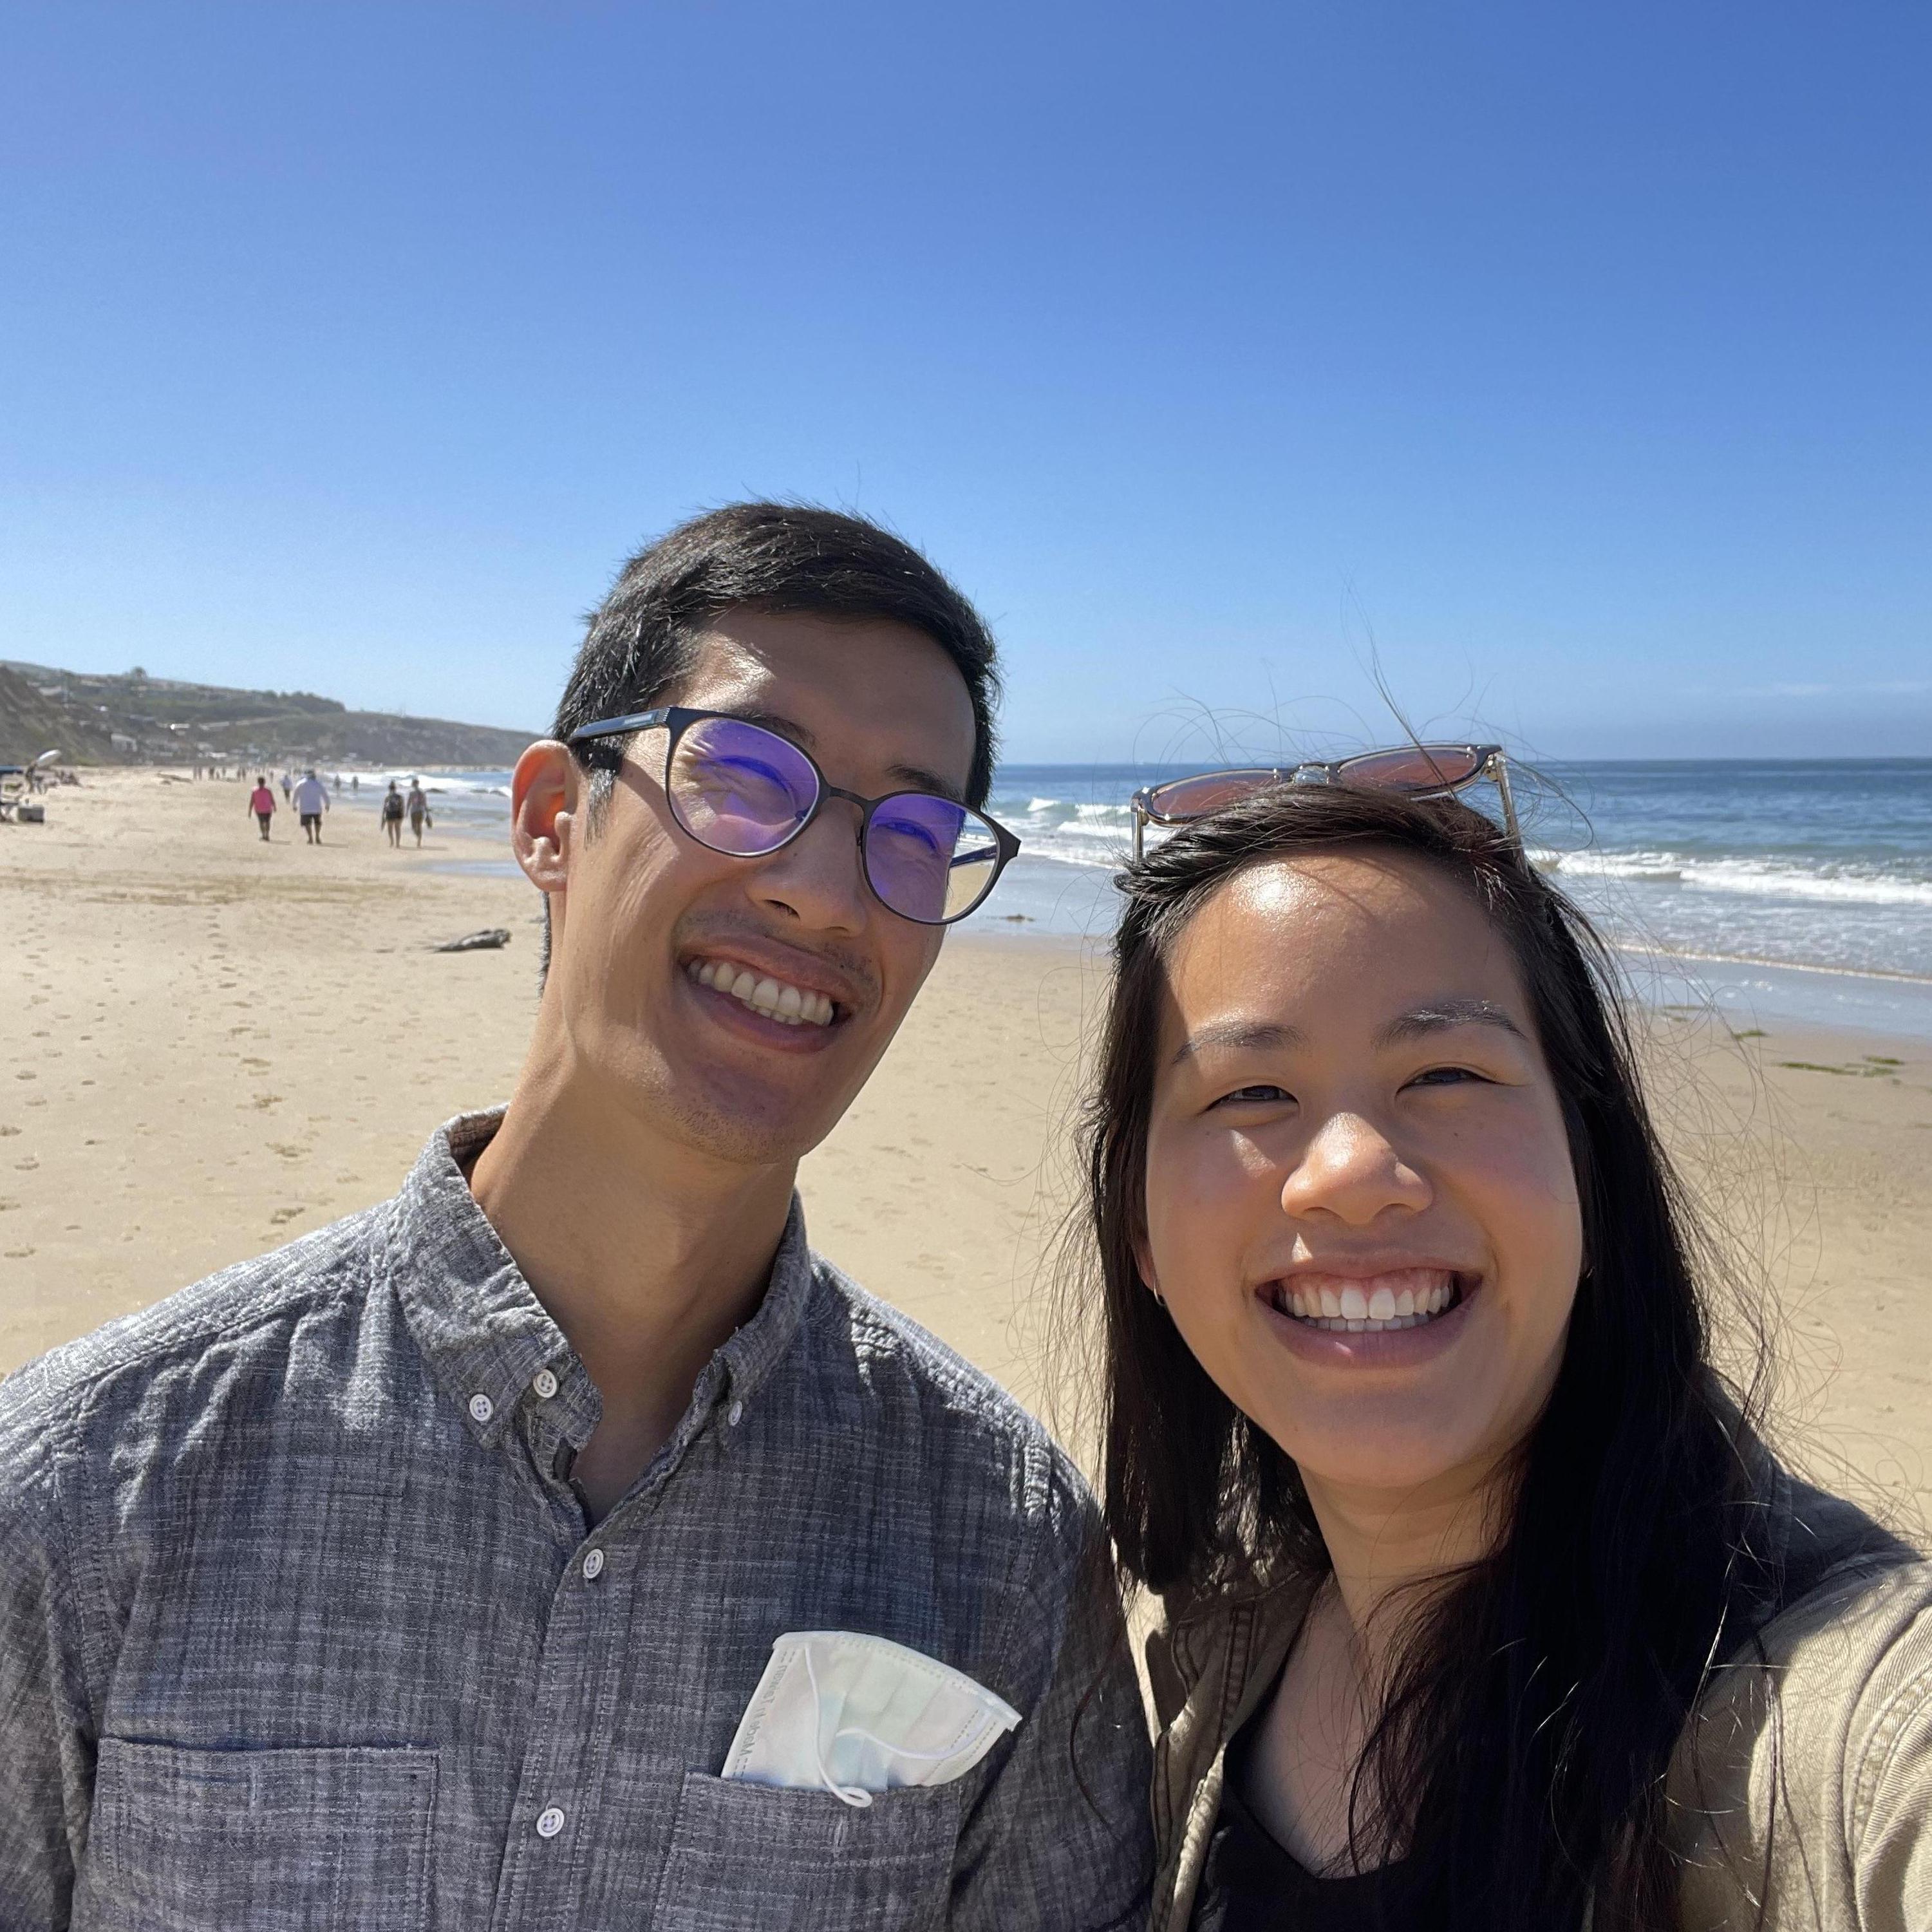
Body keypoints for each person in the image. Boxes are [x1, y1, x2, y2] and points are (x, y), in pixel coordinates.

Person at [0, 504, 1152, 1927]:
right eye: (742, 775)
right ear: (552, 820)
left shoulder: (1004, 1545)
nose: (819, 890)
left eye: (912, 832)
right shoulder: (95, 1489)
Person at [1077, 769, 1932, 1931]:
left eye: (1445, 1074)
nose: (1349, 1176)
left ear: (1592, 1174)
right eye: (1251, 1091)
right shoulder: (1216, 1644)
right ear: (1138, 1230)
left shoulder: (1845, 1721)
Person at [292, 767, 330, 845]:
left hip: (305, 808)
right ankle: (317, 837)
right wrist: (327, 804)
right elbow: (325, 795)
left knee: (307, 823)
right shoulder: (318, 784)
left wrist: (294, 805)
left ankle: (310, 838)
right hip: (316, 808)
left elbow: (295, 795)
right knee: (318, 823)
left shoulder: (300, 783)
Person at [247, 773, 276, 841]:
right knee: (267, 822)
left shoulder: (254, 791)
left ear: (258, 782)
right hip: (268, 809)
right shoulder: (268, 790)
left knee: (261, 823)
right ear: (265, 782)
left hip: (259, 810)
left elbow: (252, 801)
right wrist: (274, 807)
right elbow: (272, 799)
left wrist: (250, 811)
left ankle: (263, 835)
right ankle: (267, 835)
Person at [380, 777, 405, 847]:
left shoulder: (387, 797)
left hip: (390, 814)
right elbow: (402, 807)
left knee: (390, 829)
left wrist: (383, 818)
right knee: (398, 829)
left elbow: (385, 808)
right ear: (395, 788)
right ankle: (398, 843)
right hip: (398, 814)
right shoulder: (400, 797)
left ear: (389, 789)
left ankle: (392, 841)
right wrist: (403, 815)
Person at [407, 776, 429, 846]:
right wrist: (427, 811)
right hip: (421, 811)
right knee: (419, 826)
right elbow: (425, 803)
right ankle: (419, 840)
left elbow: (409, 802)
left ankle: (418, 837)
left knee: (414, 827)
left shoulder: (411, 792)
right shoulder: (423, 792)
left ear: (413, 784)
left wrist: (406, 811)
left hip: (414, 811)